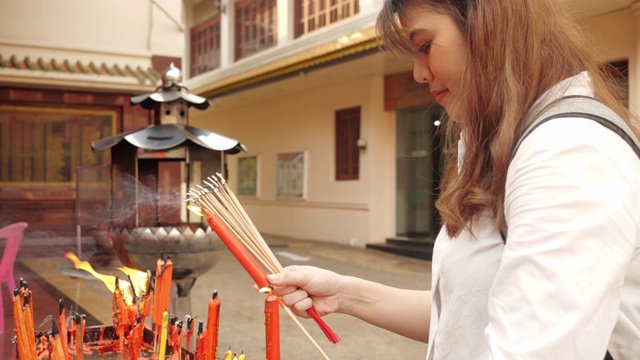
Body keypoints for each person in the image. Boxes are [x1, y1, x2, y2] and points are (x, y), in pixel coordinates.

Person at [267, 0, 640, 359]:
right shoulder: (503, 145)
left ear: (490, 21)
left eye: (425, 46)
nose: (419, 73)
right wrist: (344, 294)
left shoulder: (567, 151)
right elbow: (466, 319)